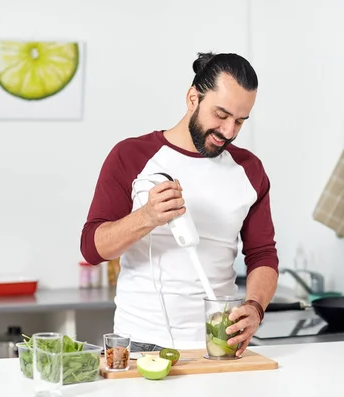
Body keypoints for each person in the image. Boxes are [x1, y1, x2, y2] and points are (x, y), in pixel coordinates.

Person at [80, 52, 279, 357]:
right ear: (192, 98)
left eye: (239, 121)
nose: (229, 132)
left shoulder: (249, 170)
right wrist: (146, 216)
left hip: (219, 343)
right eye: (221, 115)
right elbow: (93, 249)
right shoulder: (131, 156)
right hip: (141, 344)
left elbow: (262, 254)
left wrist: (254, 307)